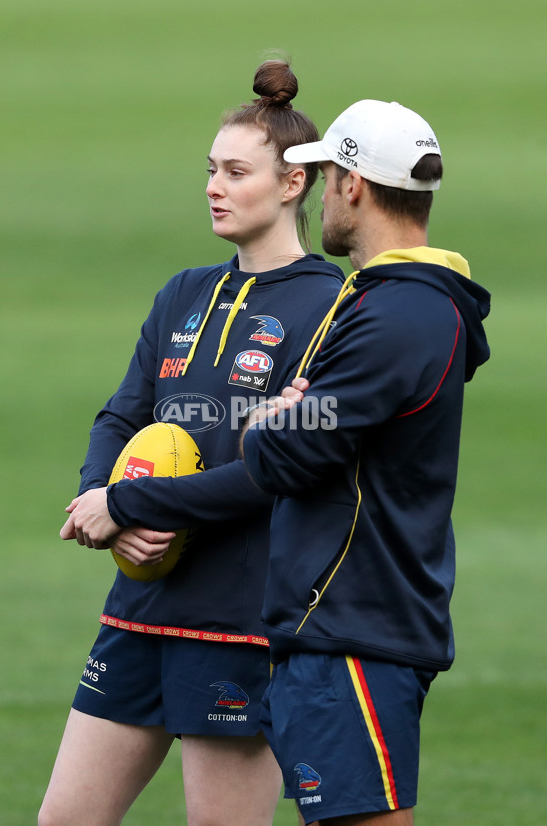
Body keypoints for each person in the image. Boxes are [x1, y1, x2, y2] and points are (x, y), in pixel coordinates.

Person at [38, 60, 345, 826]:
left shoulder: (332, 307)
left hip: (241, 616)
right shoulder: (183, 292)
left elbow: (279, 468)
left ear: (291, 185)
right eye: (210, 169)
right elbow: (123, 413)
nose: (214, 185)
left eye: (237, 171)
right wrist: (99, 499)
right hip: (138, 604)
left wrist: (130, 502)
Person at [241, 99, 491, 825]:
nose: (320, 197)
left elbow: (291, 454)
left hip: (353, 627)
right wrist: (287, 418)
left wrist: (266, 422)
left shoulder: (398, 314)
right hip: (349, 625)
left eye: (324, 179)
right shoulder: (390, 303)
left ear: (352, 185)